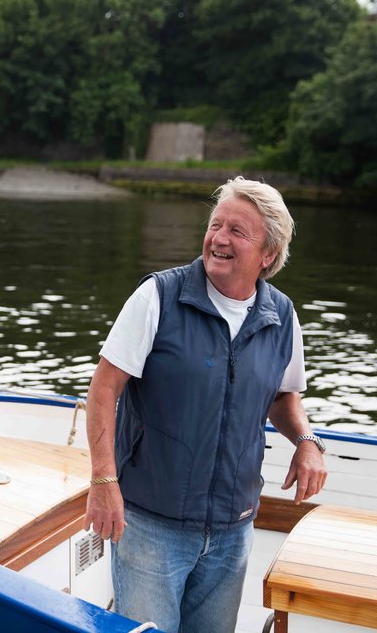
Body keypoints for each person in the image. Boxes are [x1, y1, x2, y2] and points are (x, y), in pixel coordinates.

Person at [83, 177, 327, 632]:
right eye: (216, 225)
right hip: (150, 526)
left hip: (233, 531)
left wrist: (307, 441)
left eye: (238, 231)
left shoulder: (283, 316)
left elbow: (283, 396)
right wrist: (103, 480)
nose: (218, 239)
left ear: (268, 255)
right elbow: (104, 389)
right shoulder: (158, 296)